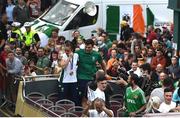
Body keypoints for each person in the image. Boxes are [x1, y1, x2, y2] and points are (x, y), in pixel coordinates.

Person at [75, 39, 106, 105]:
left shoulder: (96, 54)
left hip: (92, 78)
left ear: (93, 46)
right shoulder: (78, 53)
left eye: (89, 47)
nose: (87, 48)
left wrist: (104, 74)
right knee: (80, 95)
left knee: (92, 97)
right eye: (86, 47)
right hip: (81, 77)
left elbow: (103, 64)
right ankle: (79, 111)